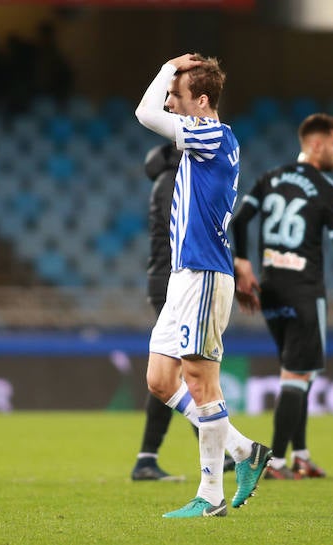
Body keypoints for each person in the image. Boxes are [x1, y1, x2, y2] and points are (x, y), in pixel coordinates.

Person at [135, 52, 271, 518]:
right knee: (159, 379)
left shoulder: (212, 134)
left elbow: (143, 114)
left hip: (205, 273)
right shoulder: (204, 140)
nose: (170, 103)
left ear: (203, 101)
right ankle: (243, 450)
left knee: (199, 380)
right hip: (184, 276)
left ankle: (210, 495)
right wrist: (173, 77)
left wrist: (166, 67)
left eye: (177, 95)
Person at [231, 113, 333, 480]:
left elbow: (238, 221)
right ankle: (276, 462)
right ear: (315, 145)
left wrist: (242, 264)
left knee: (299, 371)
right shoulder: (329, 189)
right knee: (298, 375)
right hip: (304, 290)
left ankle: (301, 455)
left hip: (270, 290)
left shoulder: (268, 179)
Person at [130, 143, 236, 482]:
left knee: (170, 374)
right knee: (187, 369)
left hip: (167, 278)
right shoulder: (174, 181)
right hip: (175, 281)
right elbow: (186, 230)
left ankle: (148, 458)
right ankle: (226, 446)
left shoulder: (168, 179)